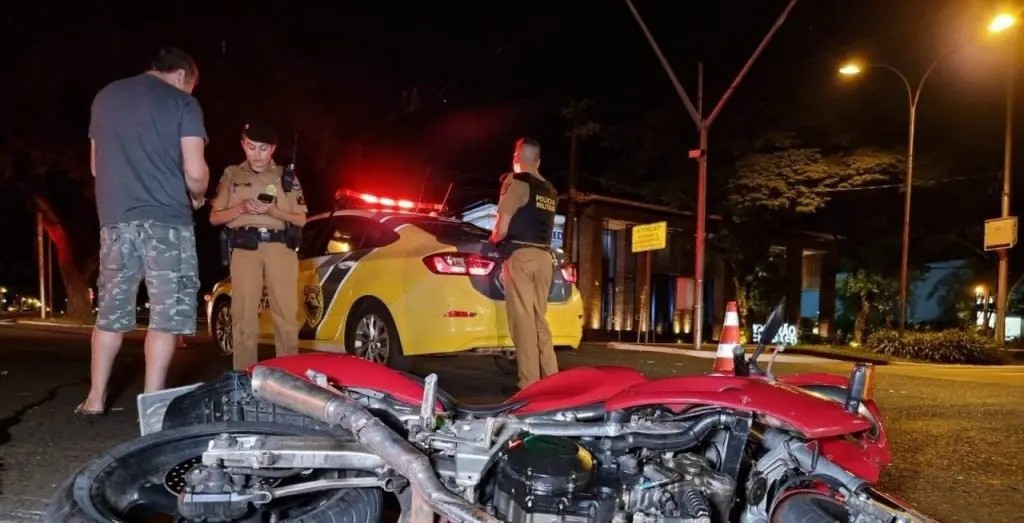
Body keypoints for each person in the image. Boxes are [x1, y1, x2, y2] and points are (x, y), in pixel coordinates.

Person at [77, 47, 209, 416]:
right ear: (183, 76)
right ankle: (152, 407)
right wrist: (196, 196)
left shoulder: (106, 97)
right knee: (165, 318)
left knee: (111, 314)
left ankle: (95, 398)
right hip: (167, 220)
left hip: (115, 220)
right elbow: (196, 172)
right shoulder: (183, 104)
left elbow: (94, 165)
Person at [210, 121, 307, 370]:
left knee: (286, 316)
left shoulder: (286, 176)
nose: (257, 154)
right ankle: (244, 376)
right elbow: (215, 217)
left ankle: (289, 377)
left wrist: (276, 212)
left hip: (280, 247)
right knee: (243, 316)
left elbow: (301, 218)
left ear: (273, 149)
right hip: (245, 248)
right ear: (243, 144)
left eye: (263, 148)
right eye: (251, 147)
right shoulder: (232, 174)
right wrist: (240, 208)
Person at [490, 137, 560, 391]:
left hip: (521, 257)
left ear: (516, 158)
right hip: (544, 258)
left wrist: (492, 239)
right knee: (539, 319)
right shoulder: (550, 190)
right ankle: (552, 380)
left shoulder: (516, 183)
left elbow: (502, 228)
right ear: (538, 161)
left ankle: (529, 385)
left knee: (522, 322)